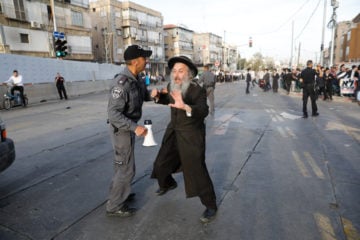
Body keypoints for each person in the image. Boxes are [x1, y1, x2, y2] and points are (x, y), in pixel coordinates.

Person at [150, 56, 217, 224]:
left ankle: (210, 205)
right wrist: (159, 97)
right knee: (160, 164)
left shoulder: (197, 90)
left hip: (191, 135)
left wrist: (186, 106)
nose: (176, 75)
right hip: (174, 131)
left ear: (190, 74)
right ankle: (168, 184)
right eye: (174, 71)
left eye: (181, 71)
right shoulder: (171, 86)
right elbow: (169, 100)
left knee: (197, 171)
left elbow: (203, 110)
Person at [106, 45, 152, 217]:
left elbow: (144, 95)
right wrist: (135, 127)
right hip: (121, 129)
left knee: (122, 166)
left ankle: (120, 193)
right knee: (125, 168)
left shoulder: (136, 79)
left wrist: (155, 94)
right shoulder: (121, 83)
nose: (146, 61)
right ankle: (114, 205)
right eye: (144, 58)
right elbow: (113, 114)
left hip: (128, 127)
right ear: (135, 61)